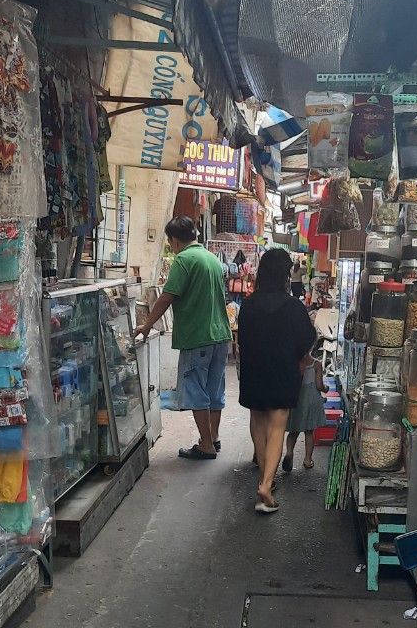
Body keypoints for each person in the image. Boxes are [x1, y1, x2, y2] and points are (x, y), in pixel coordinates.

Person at [134, 216, 232, 461]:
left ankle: (206, 445)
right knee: (214, 390)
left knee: (196, 390)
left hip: (197, 336)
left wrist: (147, 325)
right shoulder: (212, 259)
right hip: (221, 335)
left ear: (174, 240)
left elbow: (167, 296)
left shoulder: (184, 259)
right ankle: (214, 438)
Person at [237, 247, 316, 513]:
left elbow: (242, 340)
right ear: (284, 274)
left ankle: (265, 478)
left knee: (259, 423)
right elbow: (306, 341)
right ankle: (266, 486)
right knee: (277, 426)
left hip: (254, 372)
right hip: (283, 372)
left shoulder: (248, 305)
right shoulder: (293, 307)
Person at [282, 343, 328, 472]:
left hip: (296, 401)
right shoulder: (316, 364)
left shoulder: (293, 363)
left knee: (293, 431)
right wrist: (326, 389)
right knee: (309, 432)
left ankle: (289, 453)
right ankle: (308, 460)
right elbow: (319, 385)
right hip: (311, 401)